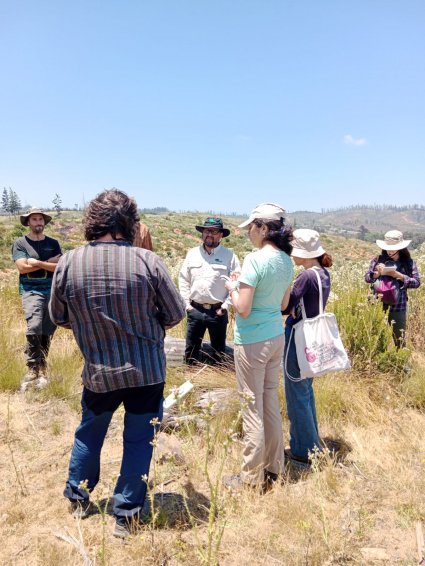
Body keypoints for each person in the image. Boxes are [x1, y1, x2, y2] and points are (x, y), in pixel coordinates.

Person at [49, 189, 185, 538]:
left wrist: (90, 325)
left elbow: (58, 316)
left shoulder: (68, 262)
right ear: (129, 222)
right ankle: (125, 515)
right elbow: (174, 314)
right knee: (140, 440)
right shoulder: (147, 261)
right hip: (145, 371)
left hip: (98, 370)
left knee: (89, 433)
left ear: (92, 222)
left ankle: (78, 496)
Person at [223, 203, 293, 490]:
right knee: (270, 404)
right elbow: (284, 305)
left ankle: (251, 478)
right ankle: (275, 467)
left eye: (251, 227)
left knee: (251, 407)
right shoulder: (286, 261)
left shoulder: (254, 260)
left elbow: (243, 309)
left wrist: (232, 288)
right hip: (276, 336)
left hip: (252, 341)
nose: (248, 232)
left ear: (263, 228)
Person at [282, 229, 332, 466]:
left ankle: (303, 449)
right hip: (313, 338)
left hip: (298, 335)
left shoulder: (305, 277)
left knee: (296, 392)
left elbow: (286, 306)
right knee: (306, 390)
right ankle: (312, 442)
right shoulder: (322, 273)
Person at [12, 207, 62, 391]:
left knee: (48, 328)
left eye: (40, 219)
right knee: (34, 325)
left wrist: (38, 262)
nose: (38, 222)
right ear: (28, 222)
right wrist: (49, 263)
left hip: (52, 290)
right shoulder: (20, 243)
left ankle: (42, 362)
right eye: (34, 219)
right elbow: (22, 268)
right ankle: (32, 366)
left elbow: (58, 267)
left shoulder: (53, 243)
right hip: (31, 290)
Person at [179, 217, 240, 364]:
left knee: (218, 353)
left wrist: (225, 307)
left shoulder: (230, 257)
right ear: (202, 233)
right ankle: (189, 383)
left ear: (221, 235)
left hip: (218, 312)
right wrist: (187, 305)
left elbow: (236, 284)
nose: (209, 234)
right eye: (207, 231)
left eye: (214, 231)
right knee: (191, 352)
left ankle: (217, 383)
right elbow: (183, 279)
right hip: (195, 310)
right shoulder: (192, 254)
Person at [364, 230, 420, 348]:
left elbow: (416, 282)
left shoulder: (409, 263)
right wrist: (377, 274)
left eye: (393, 248)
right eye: (388, 248)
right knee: (375, 336)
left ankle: (400, 363)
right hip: (376, 303)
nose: (390, 251)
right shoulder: (377, 260)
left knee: (399, 338)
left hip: (399, 305)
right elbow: (367, 278)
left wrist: (398, 276)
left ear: (400, 248)